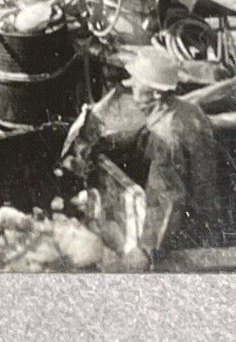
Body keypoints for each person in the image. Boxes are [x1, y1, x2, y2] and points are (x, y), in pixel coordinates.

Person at [69, 45, 219, 266]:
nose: (131, 87)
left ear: (156, 93)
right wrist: (103, 146)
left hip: (186, 230)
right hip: (207, 211)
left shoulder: (166, 136)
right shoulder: (187, 110)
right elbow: (145, 134)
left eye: (138, 83)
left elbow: (167, 197)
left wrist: (147, 249)